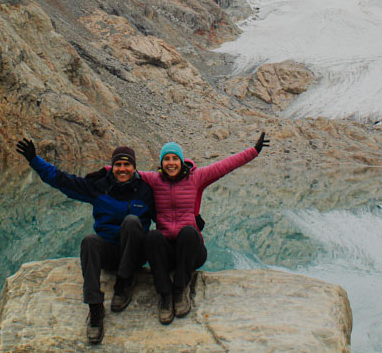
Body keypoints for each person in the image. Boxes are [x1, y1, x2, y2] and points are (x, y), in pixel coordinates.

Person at [16, 138, 155, 346]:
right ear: (113, 167)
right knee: (89, 241)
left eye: (127, 165)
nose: (122, 169)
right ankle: (95, 308)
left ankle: (124, 283)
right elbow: (64, 181)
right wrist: (35, 161)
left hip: (135, 254)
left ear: (134, 168)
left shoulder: (145, 191)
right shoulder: (99, 186)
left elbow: (169, 215)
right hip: (109, 252)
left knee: (132, 221)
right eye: (118, 164)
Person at [139, 132, 269, 324]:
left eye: (175, 158)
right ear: (161, 164)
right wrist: (105, 171)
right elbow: (124, 172)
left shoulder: (196, 178)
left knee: (190, 231)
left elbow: (225, 165)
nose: (171, 163)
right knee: (151, 237)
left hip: (191, 252)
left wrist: (254, 151)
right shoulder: (153, 180)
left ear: (182, 161)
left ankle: (180, 289)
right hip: (168, 254)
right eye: (166, 159)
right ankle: (165, 295)